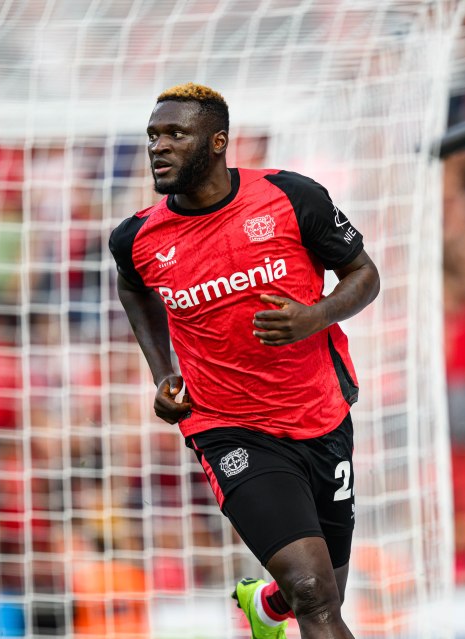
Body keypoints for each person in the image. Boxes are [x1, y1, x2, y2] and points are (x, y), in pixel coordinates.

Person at [109, 83, 379, 639]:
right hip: (229, 428)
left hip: (320, 416)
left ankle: (267, 608)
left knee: (325, 590)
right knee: (315, 593)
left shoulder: (292, 198)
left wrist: (315, 316)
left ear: (218, 142)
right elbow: (133, 289)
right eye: (153, 136)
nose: (158, 147)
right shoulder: (136, 237)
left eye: (175, 134)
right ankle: (287, 600)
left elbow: (365, 276)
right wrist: (164, 372)